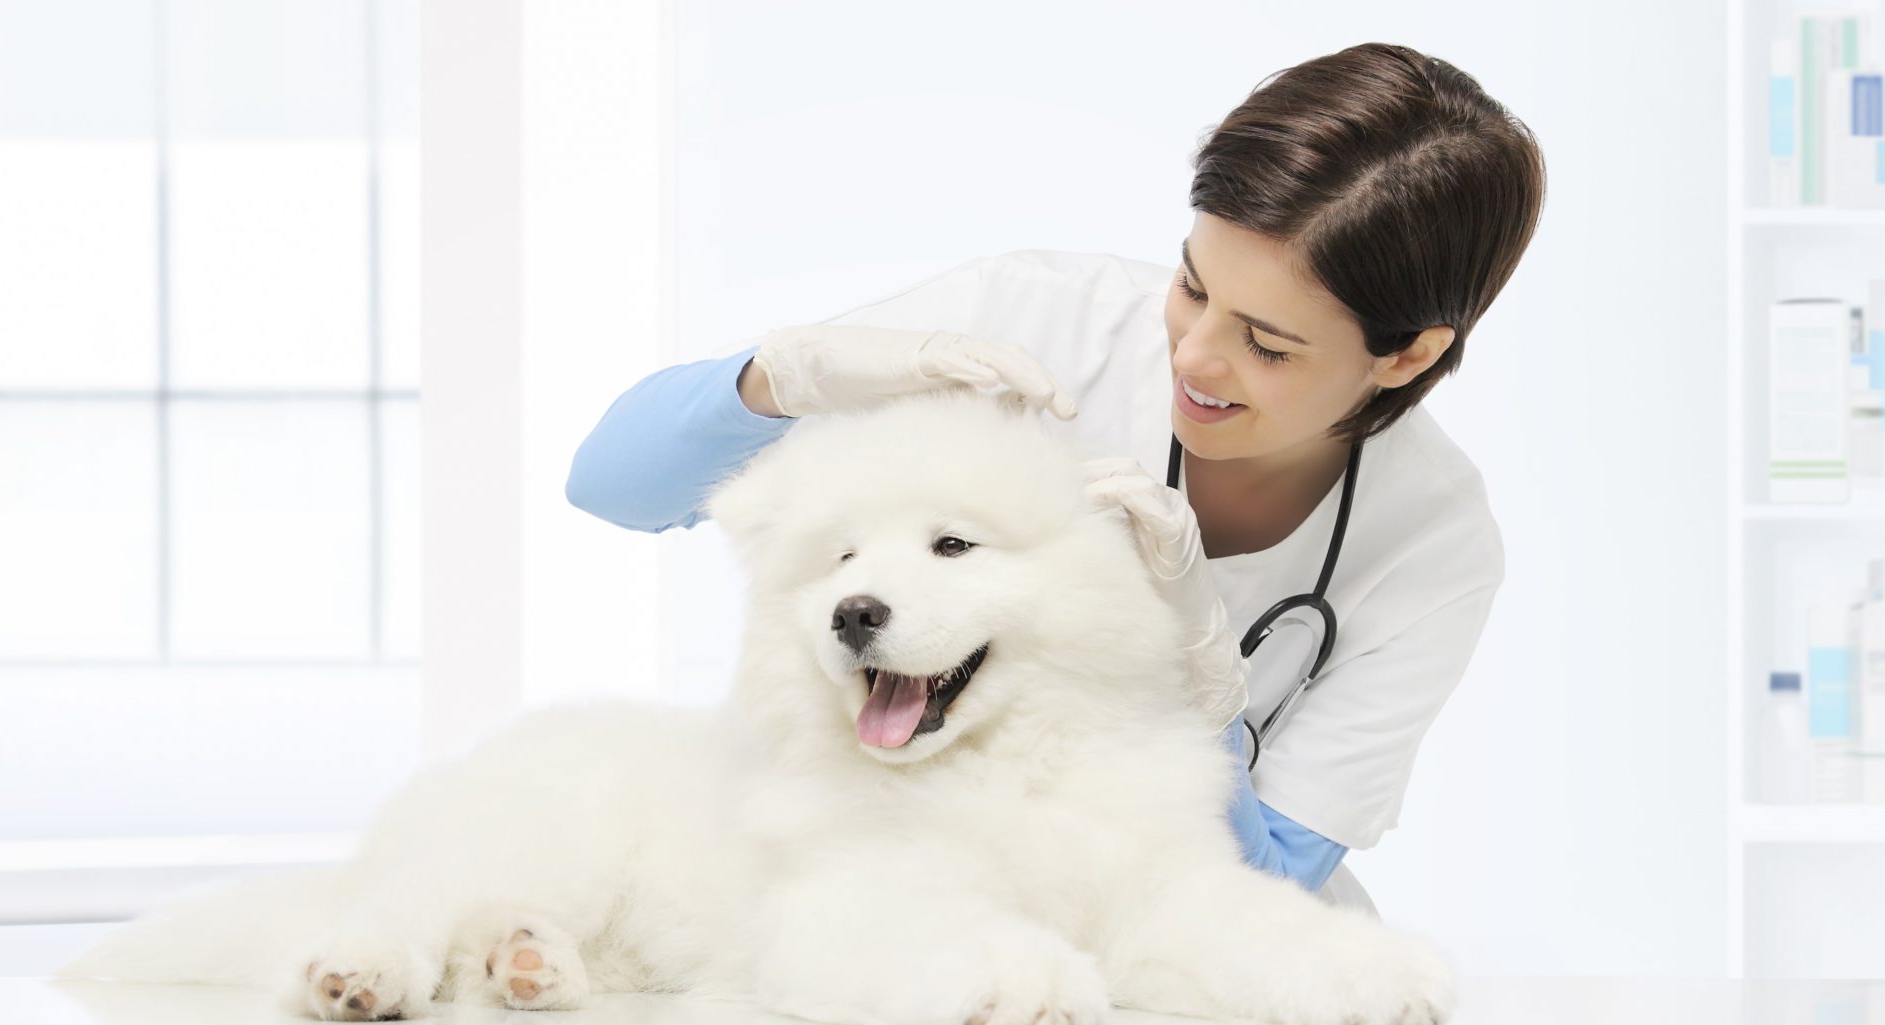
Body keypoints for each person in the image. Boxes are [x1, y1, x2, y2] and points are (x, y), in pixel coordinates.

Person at [563, 43, 1545, 915]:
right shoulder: (1032, 324)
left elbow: (1267, 879)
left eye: (1266, 344)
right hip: (907, 895)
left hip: (1177, 974)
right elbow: (616, 487)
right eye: (1192, 285)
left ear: (1405, 357)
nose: (1194, 358)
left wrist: (1200, 676)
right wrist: (781, 376)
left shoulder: (1431, 539)